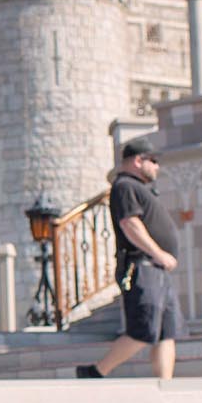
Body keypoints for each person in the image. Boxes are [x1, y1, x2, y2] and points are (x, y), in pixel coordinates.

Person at [77, 135, 183, 381]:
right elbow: (130, 223)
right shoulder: (125, 186)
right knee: (143, 328)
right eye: (153, 161)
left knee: (167, 332)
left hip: (157, 270)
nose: (157, 166)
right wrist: (158, 254)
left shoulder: (141, 189)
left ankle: (165, 386)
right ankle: (96, 372)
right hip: (142, 265)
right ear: (138, 160)